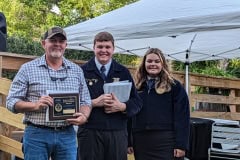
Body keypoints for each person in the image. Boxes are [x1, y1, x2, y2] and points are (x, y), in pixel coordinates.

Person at [6, 26, 92, 160]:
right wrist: (35, 105)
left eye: (61, 41)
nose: (57, 44)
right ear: (43, 43)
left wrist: (84, 116)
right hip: (37, 135)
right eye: (53, 40)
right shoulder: (27, 69)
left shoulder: (76, 71)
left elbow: (86, 101)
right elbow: (11, 101)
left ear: (66, 45)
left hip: (67, 134)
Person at [77, 31, 142, 160]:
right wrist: (94, 102)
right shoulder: (81, 71)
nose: (104, 50)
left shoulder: (123, 72)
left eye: (107, 47)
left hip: (117, 132)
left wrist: (122, 106)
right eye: (100, 47)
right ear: (93, 48)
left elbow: (137, 102)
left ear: (113, 49)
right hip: (90, 131)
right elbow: (71, 102)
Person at [129, 48, 190, 160]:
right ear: (144, 64)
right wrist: (129, 141)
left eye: (157, 61)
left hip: (166, 142)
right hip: (141, 142)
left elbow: (183, 117)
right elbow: (129, 115)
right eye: (149, 61)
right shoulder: (135, 87)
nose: (153, 64)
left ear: (163, 64)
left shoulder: (175, 87)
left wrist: (181, 145)